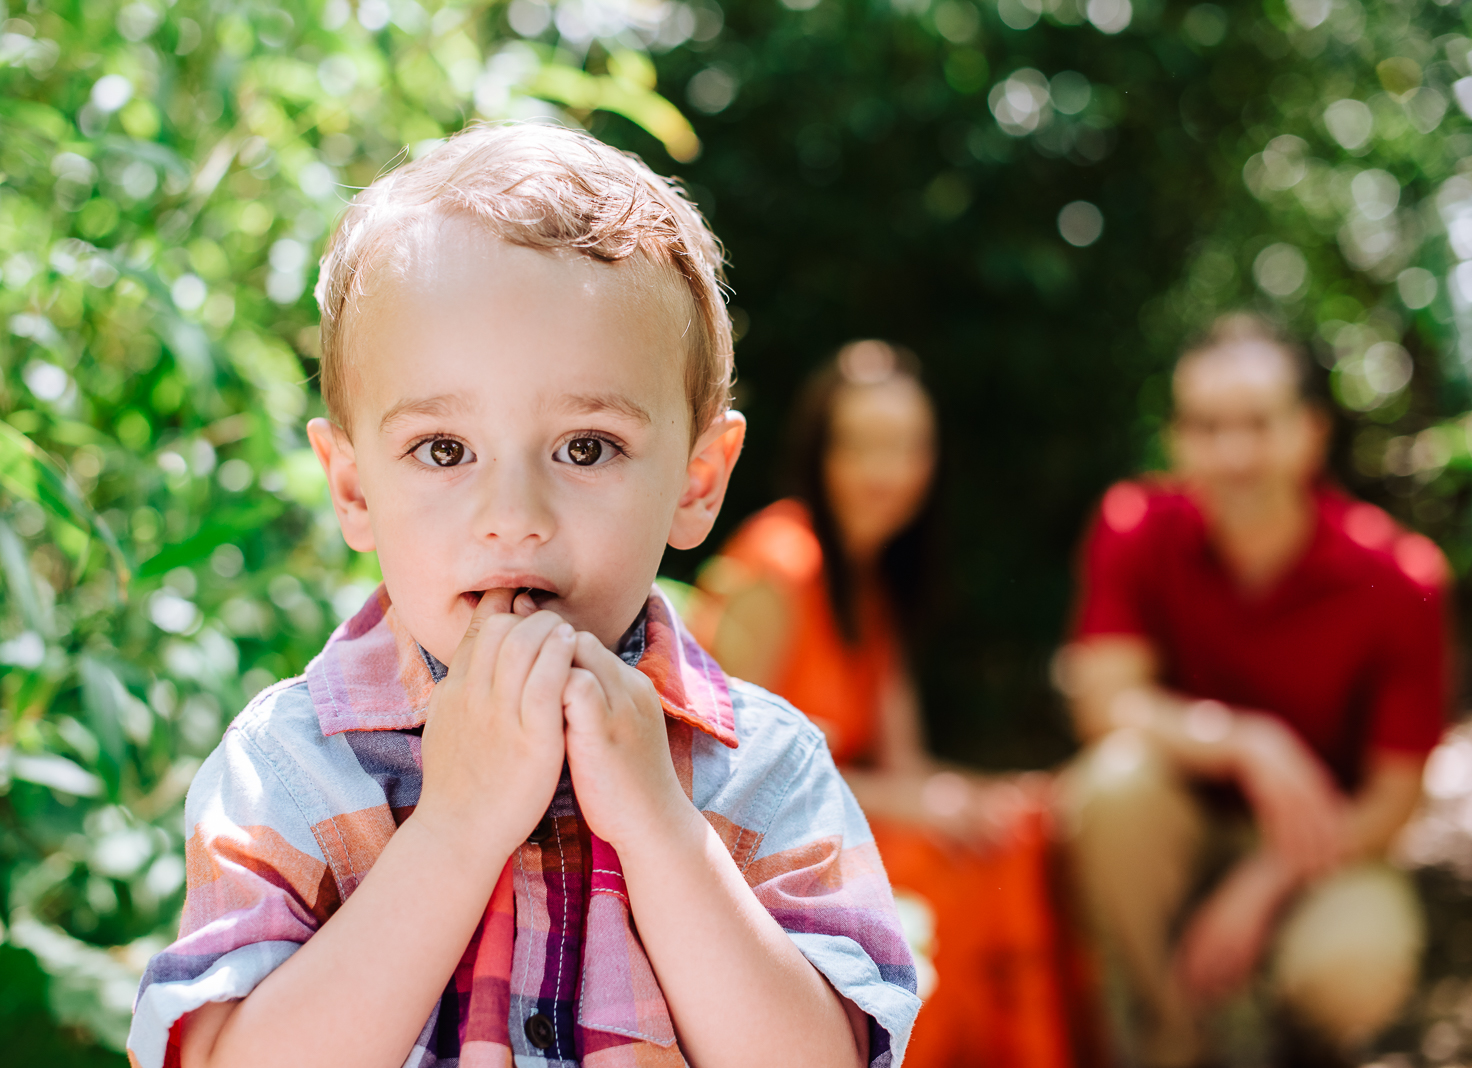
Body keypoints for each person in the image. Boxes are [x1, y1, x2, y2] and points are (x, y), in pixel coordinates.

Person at [125, 123, 920, 1068]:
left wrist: (662, 829)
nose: (513, 517)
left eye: (586, 447)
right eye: (444, 450)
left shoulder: (764, 770)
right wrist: (457, 827)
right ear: (352, 488)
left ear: (698, 482)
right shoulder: (290, 767)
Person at [1058, 313, 1448, 1067]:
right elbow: (1104, 706)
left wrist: (1264, 882)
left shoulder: (1401, 577)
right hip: (1177, 820)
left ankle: (1282, 1038)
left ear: (1310, 432)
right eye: (1207, 427)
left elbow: (1393, 802)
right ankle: (1170, 1040)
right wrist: (1243, 741)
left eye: (1257, 425)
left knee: (1352, 965)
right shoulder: (1135, 524)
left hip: (1323, 844)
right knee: (1111, 786)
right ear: (1176, 438)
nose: (1232, 454)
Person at [692, 342, 1085, 1068]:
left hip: (849, 815)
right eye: (865, 447)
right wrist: (927, 804)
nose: (889, 473)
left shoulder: (873, 583)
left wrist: (990, 797)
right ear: (821, 455)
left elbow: (907, 764)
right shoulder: (777, 567)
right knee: (944, 865)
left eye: (907, 448)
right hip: (770, 839)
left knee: (1019, 834)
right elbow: (726, 770)